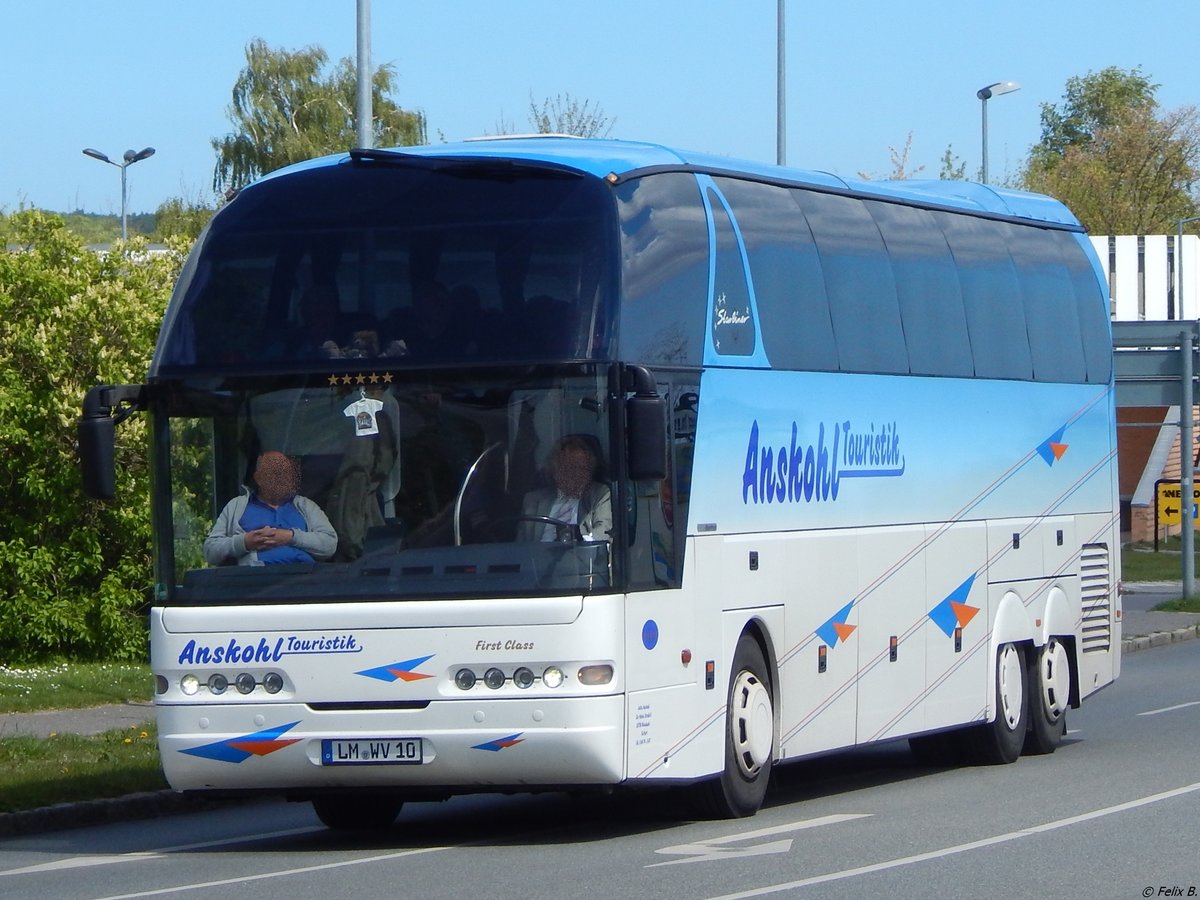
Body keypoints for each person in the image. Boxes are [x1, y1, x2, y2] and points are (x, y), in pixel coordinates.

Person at [204, 451, 338, 566]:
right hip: (257, 584)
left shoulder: (306, 506)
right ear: (259, 478)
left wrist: (291, 537)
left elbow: (330, 544)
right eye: (276, 473)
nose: (283, 478)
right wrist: (245, 542)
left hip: (306, 581)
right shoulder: (237, 506)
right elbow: (210, 550)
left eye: (287, 473)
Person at [519, 435, 612, 542]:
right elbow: (520, 546)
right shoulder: (532, 501)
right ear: (555, 470)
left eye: (580, 468)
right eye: (568, 467)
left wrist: (578, 542)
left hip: (580, 557)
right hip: (538, 556)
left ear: (589, 471)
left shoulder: (600, 494)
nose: (574, 474)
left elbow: (604, 533)